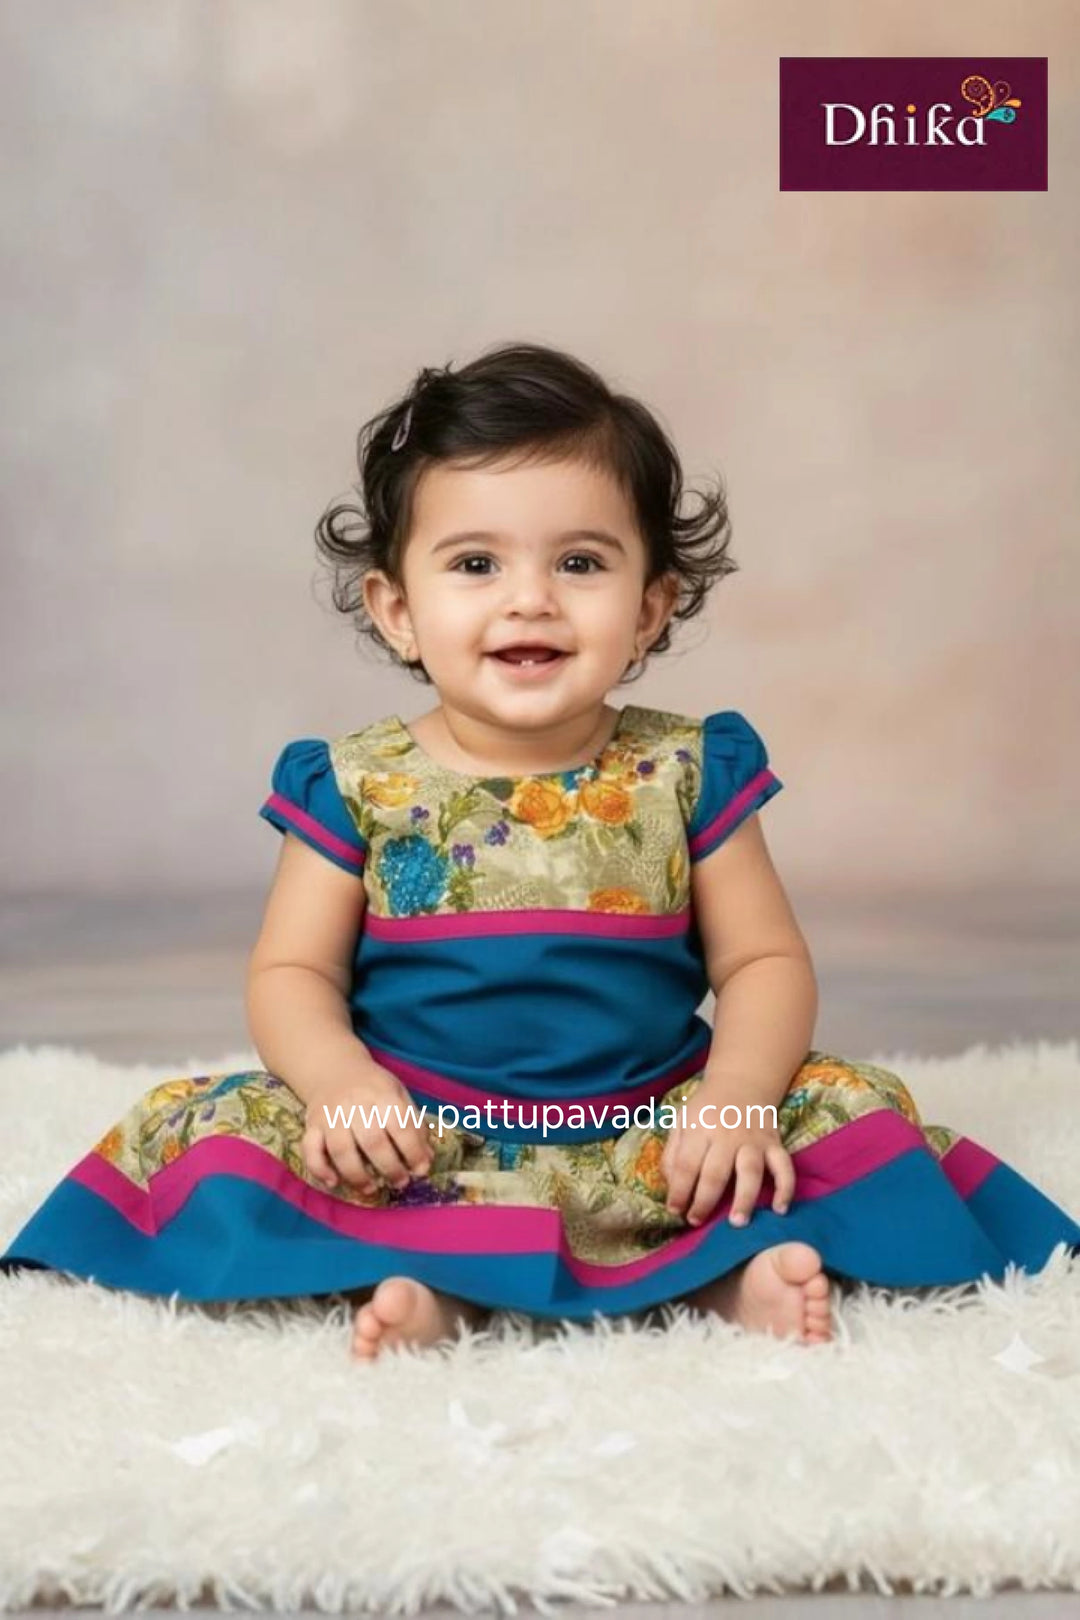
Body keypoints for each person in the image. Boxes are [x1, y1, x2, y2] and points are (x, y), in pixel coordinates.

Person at [4, 341, 1078, 1362]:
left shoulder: (689, 772)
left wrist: (735, 1098)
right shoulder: (358, 783)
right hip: (420, 1124)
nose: (531, 598)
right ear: (397, 611)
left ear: (653, 606)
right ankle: (441, 1294)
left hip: (650, 1119)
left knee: (839, 1109)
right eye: (475, 563)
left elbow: (761, 964)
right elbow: (293, 973)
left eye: (580, 562)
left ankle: (720, 1283)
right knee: (221, 1137)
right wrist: (340, 1086)